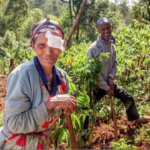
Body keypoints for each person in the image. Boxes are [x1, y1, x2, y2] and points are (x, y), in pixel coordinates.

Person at [0, 19, 77, 149]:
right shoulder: (22, 75)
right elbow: (14, 123)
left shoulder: (63, 79)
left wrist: (67, 107)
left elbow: (61, 114)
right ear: (33, 45)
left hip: (43, 144)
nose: (48, 52)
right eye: (42, 46)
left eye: (54, 45)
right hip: (17, 144)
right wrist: (51, 103)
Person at [87, 17, 147, 124]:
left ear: (111, 28)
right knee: (87, 108)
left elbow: (114, 64)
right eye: (103, 29)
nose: (106, 31)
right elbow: (94, 74)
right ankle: (83, 134)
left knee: (129, 99)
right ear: (98, 30)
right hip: (97, 86)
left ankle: (135, 119)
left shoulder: (112, 47)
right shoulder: (93, 49)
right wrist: (106, 88)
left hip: (110, 84)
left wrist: (111, 78)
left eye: (108, 28)